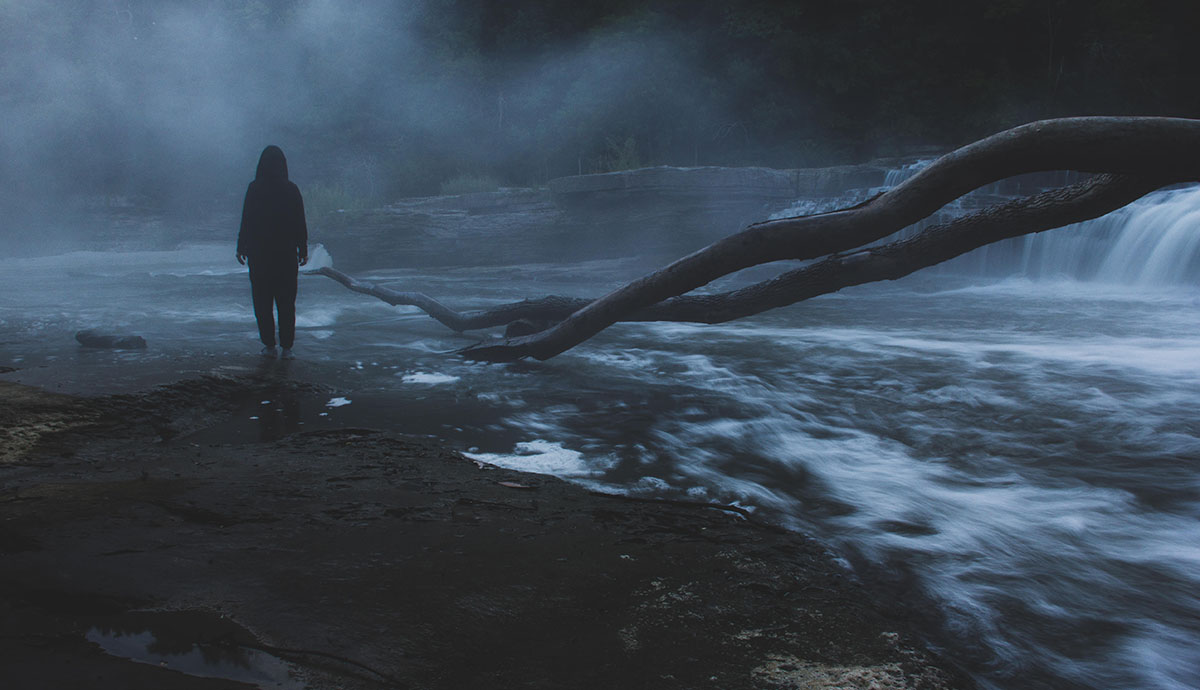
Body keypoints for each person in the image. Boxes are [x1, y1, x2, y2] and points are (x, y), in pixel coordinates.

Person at [236, 145, 308, 360]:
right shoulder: (291, 189)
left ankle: (269, 346)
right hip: (286, 256)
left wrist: (241, 246)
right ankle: (287, 348)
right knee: (286, 303)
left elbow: (246, 219)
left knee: (262, 302)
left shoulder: (254, 189)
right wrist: (303, 249)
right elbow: (299, 222)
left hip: (260, 257)